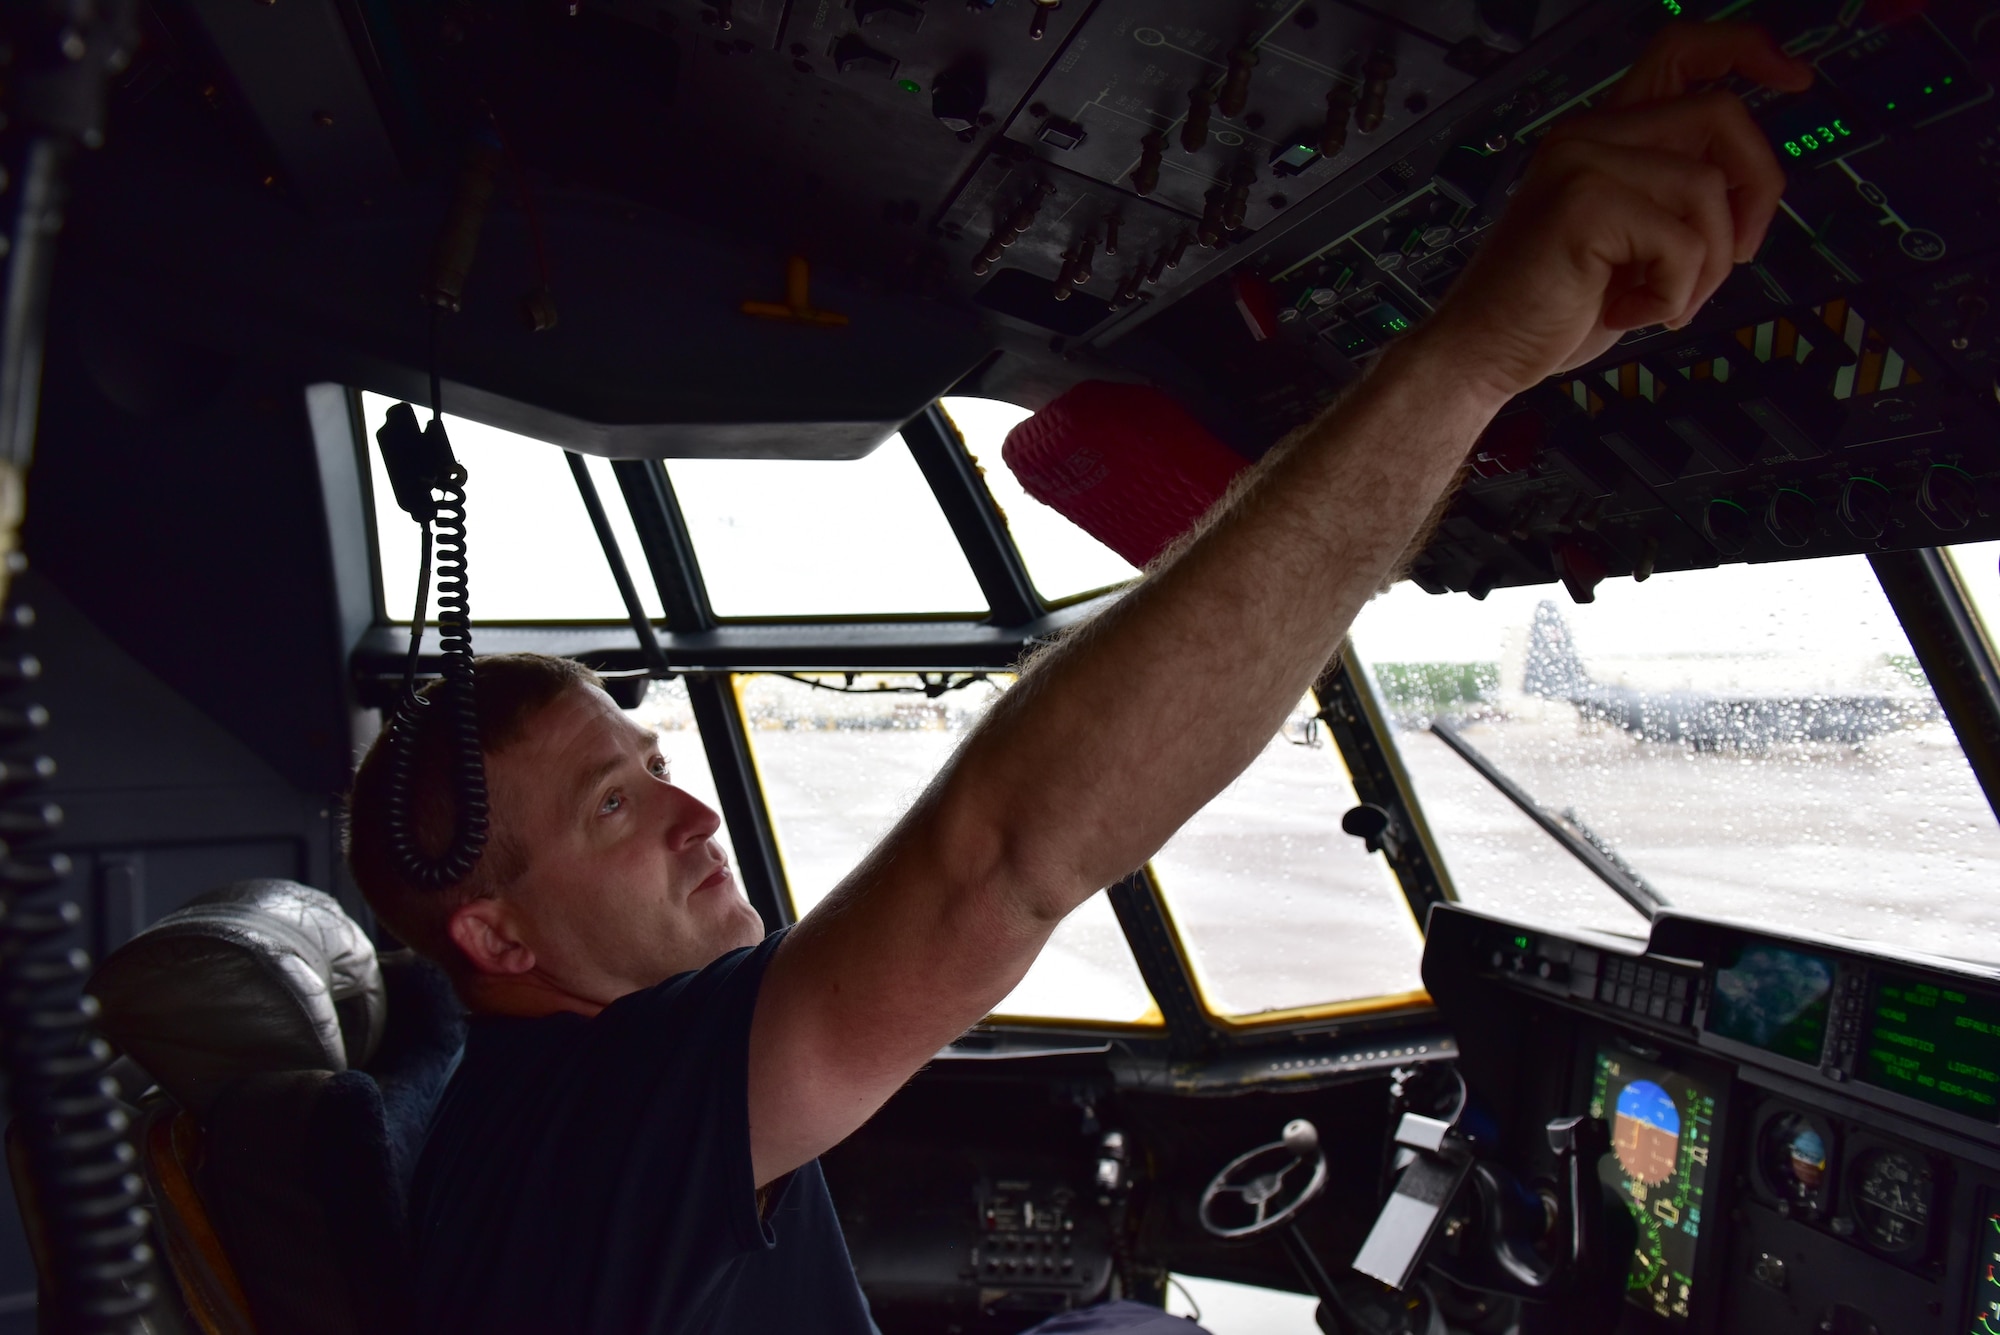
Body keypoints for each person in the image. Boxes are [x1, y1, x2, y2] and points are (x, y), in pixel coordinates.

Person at [344, 22, 1813, 1333]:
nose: (693, 817)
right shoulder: (598, 1119)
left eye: (656, 764)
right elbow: (998, 864)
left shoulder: (529, 1112)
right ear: (497, 935)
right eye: (612, 808)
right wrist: (1479, 352)